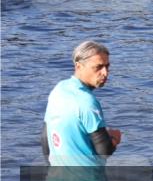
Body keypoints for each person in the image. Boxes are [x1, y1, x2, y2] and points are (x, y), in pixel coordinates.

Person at [42, 41, 122, 171]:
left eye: (107, 66)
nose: (105, 73)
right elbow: (104, 150)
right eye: (98, 67)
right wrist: (114, 137)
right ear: (78, 66)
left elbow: (46, 137)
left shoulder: (58, 90)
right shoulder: (87, 102)